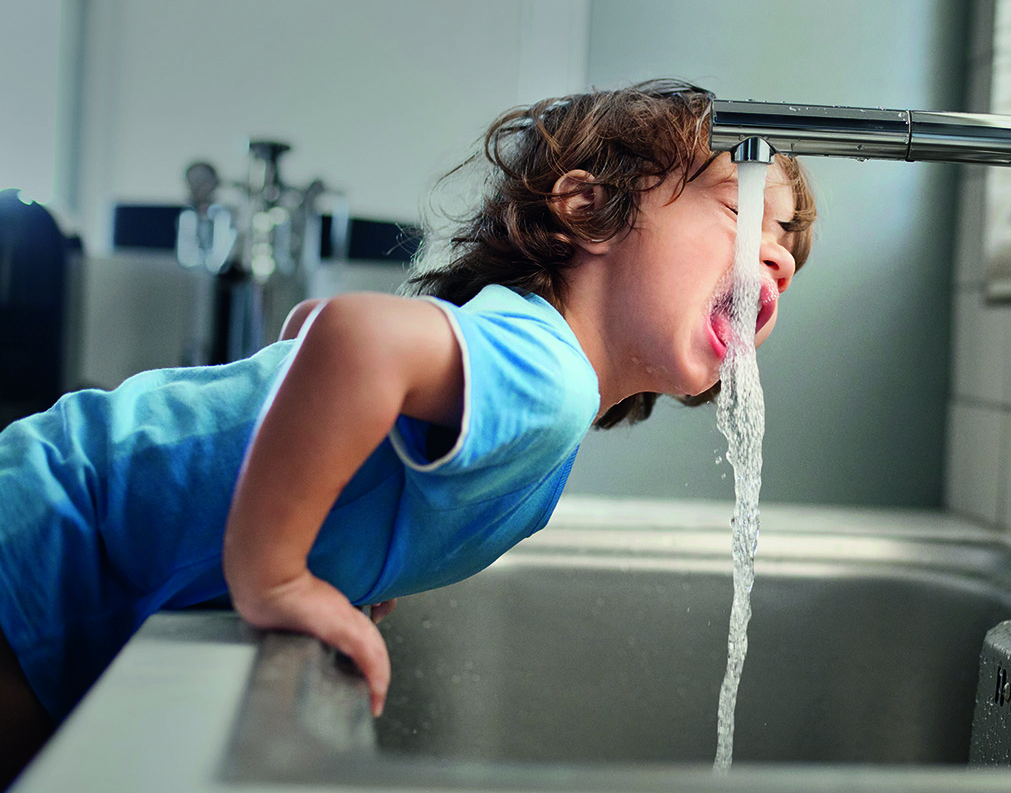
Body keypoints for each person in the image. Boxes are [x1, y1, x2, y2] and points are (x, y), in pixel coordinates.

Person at [0, 79, 816, 786]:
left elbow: (308, 327)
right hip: (54, 528)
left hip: (64, 524)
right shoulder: (551, 373)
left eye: (788, 247)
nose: (776, 257)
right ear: (589, 208)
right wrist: (279, 574)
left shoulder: (524, 356)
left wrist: (336, 527)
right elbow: (351, 337)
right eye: (745, 211)